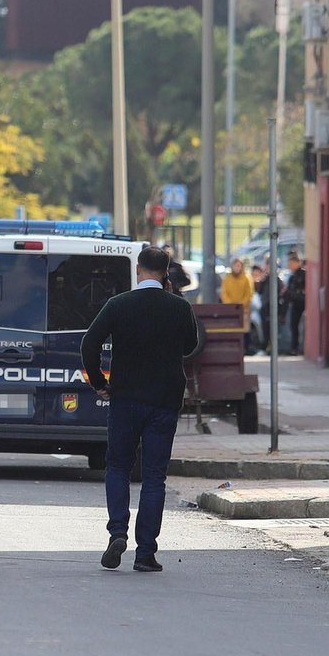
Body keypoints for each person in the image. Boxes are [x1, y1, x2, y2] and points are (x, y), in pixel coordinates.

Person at [81, 246, 200, 573]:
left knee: (118, 466)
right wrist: (173, 298)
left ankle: (117, 532)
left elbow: (89, 343)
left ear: (138, 270)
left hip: (125, 399)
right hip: (164, 402)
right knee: (154, 476)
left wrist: (99, 382)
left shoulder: (118, 304)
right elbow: (190, 346)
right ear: (166, 273)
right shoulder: (179, 307)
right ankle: (145, 553)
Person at [284, 254, 307, 356]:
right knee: (294, 326)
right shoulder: (292, 277)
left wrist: (295, 293)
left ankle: (301, 348)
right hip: (295, 305)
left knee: (302, 327)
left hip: (303, 305)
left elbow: (304, 291)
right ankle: (294, 348)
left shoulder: (303, 275)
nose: (289, 266)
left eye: (291, 263)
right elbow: (289, 293)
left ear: (298, 263)